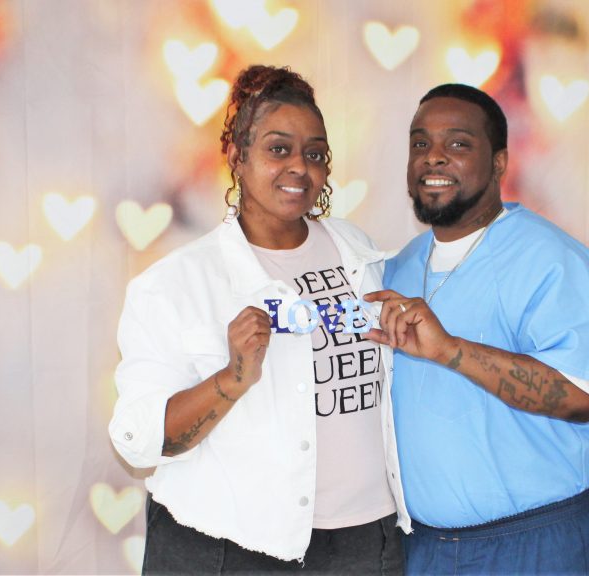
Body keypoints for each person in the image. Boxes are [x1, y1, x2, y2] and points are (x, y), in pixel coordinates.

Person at [109, 65, 409, 574]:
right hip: (232, 549)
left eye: (314, 153)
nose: (299, 166)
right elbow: (139, 441)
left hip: (365, 543)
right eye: (278, 148)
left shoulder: (360, 254)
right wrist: (232, 379)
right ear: (237, 156)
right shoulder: (176, 286)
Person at [364, 84, 589, 575]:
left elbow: (583, 397)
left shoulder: (552, 259)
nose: (434, 158)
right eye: (420, 144)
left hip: (534, 544)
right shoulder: (397, 270)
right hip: (425, 548)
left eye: (459, 144)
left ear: (499, 163)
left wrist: (451, 351)